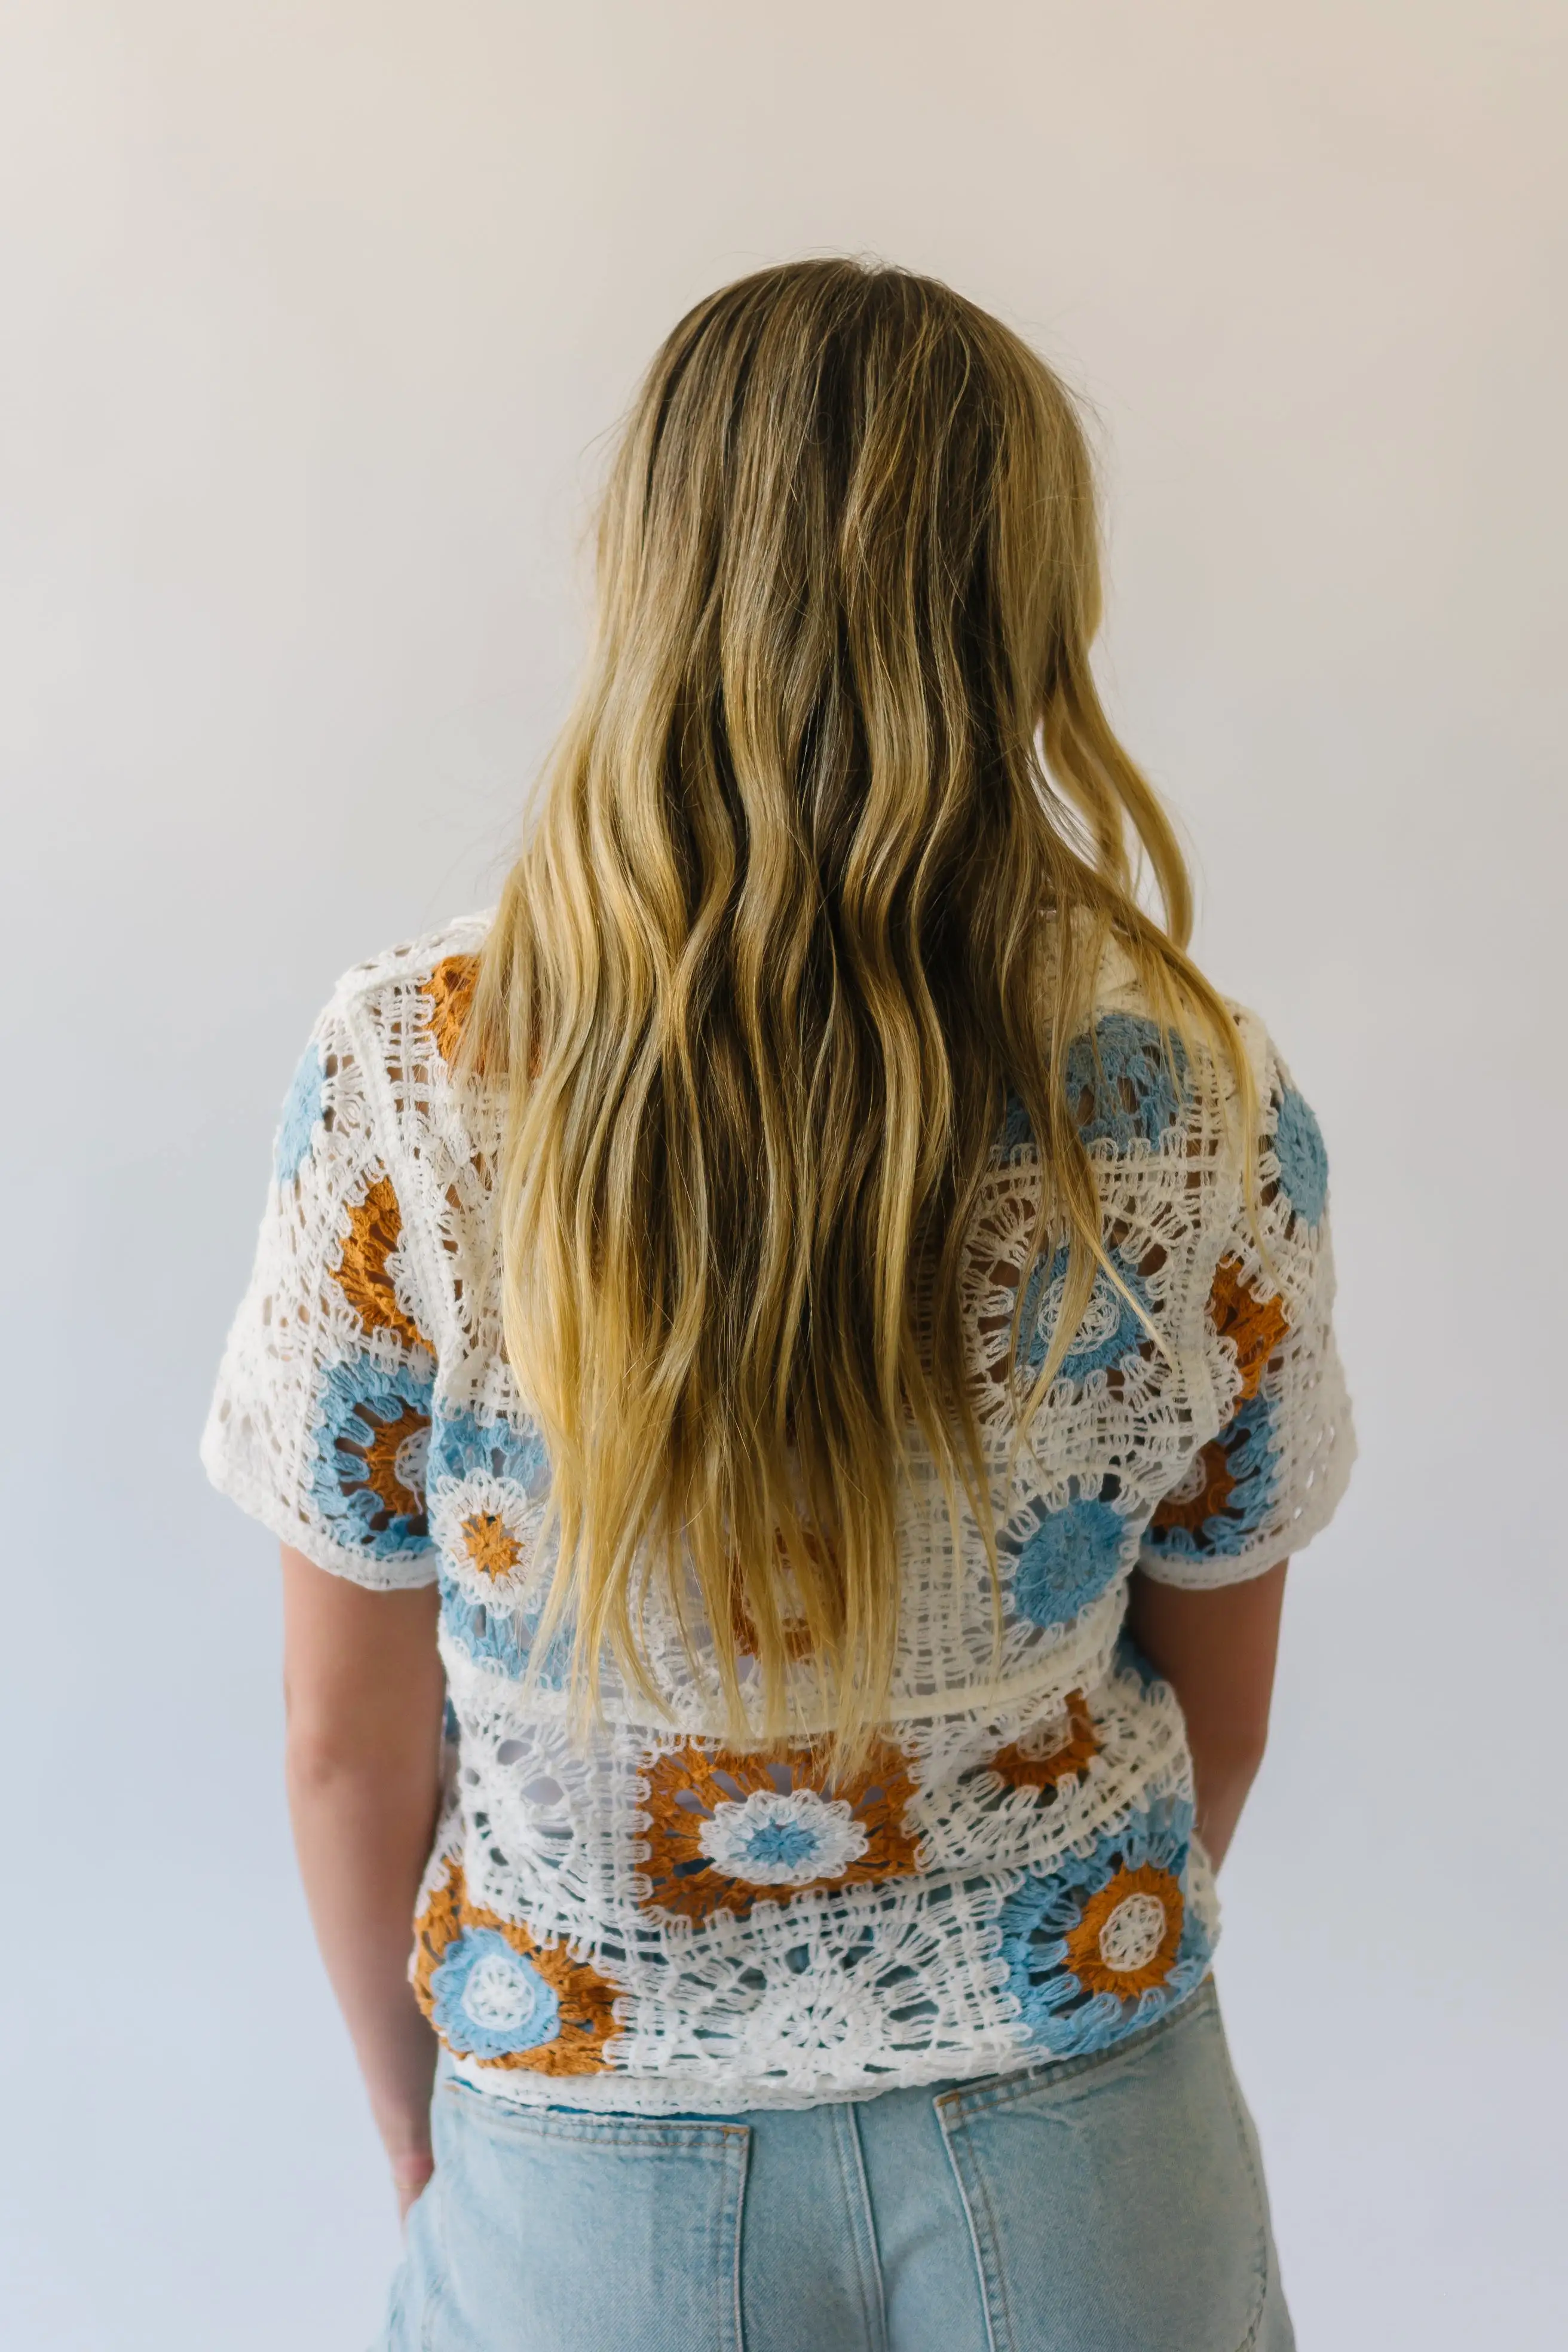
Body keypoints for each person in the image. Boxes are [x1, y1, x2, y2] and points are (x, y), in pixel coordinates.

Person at [204, 258, 1353, 2352]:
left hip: (581, 2138)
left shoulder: (414, 1077)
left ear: (647, 573)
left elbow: (340, 1745)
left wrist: (426, 2127)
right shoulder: (1196, 1098)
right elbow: (1224, 1703)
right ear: (1030, 604)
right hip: (1082, 2141)